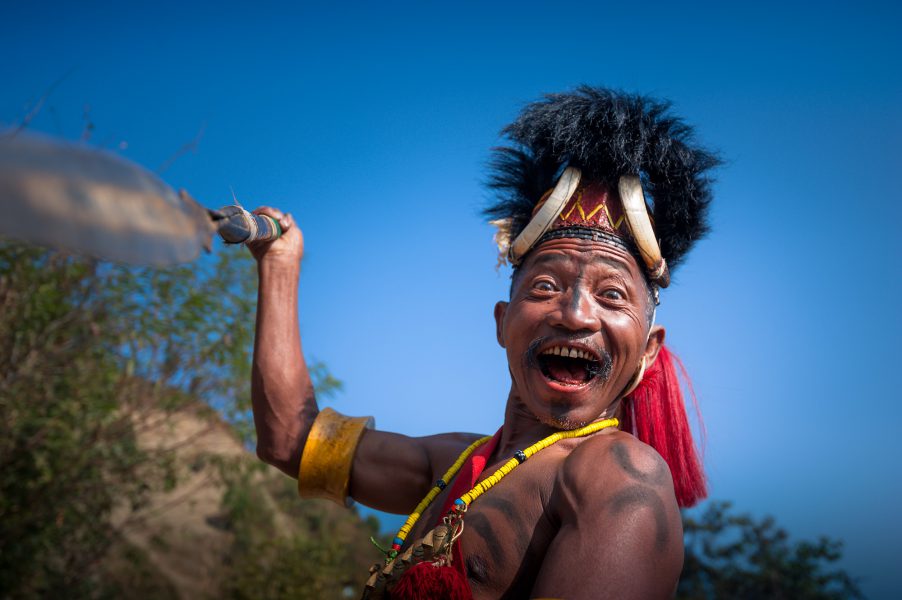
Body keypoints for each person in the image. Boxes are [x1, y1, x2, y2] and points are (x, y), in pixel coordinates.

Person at [248, 86, 719, 600]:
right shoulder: (457, 464)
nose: (576, 313)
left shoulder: (618, 482)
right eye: (546, 286)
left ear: (648, 350)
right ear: (502, 321)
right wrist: (279, 264)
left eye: (611, 295)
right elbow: (291, 443)